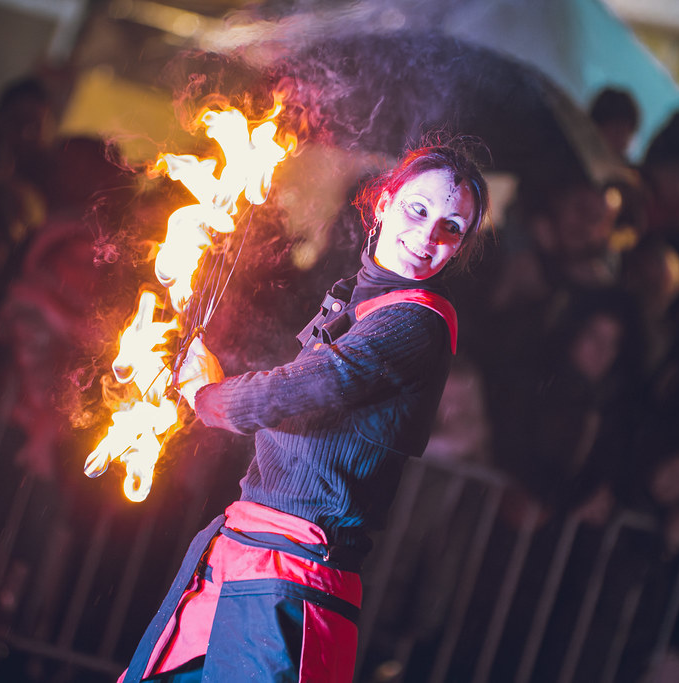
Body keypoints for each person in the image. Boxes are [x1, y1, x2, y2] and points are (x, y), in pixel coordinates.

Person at [119, 136, 490, 683]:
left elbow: (319, 383)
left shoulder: (419, 322)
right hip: (239, 551)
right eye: (418, 209)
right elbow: (299, 395)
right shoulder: (357, 298)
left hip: (295, 575)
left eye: (451, 228)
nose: (428, 236)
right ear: (384, 203)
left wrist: (211, 396)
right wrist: (214, 371)